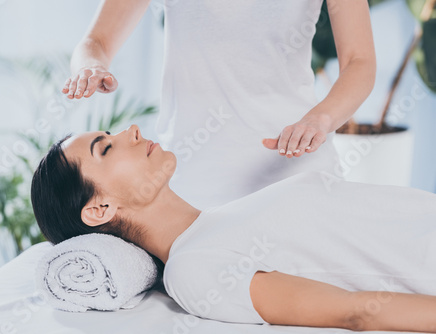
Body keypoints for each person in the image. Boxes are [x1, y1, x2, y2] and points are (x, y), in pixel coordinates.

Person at [31, 125, 436, 332]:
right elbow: (355, 313)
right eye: (107, 147)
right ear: (100, 208)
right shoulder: (193, 269)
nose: (131, 131)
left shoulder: (222, 219)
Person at [60, 0, 377, 209]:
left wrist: (320, 120)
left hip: (298, 173)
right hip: (191, 186)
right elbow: (96, 42)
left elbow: (359, 61)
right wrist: (90, 66)